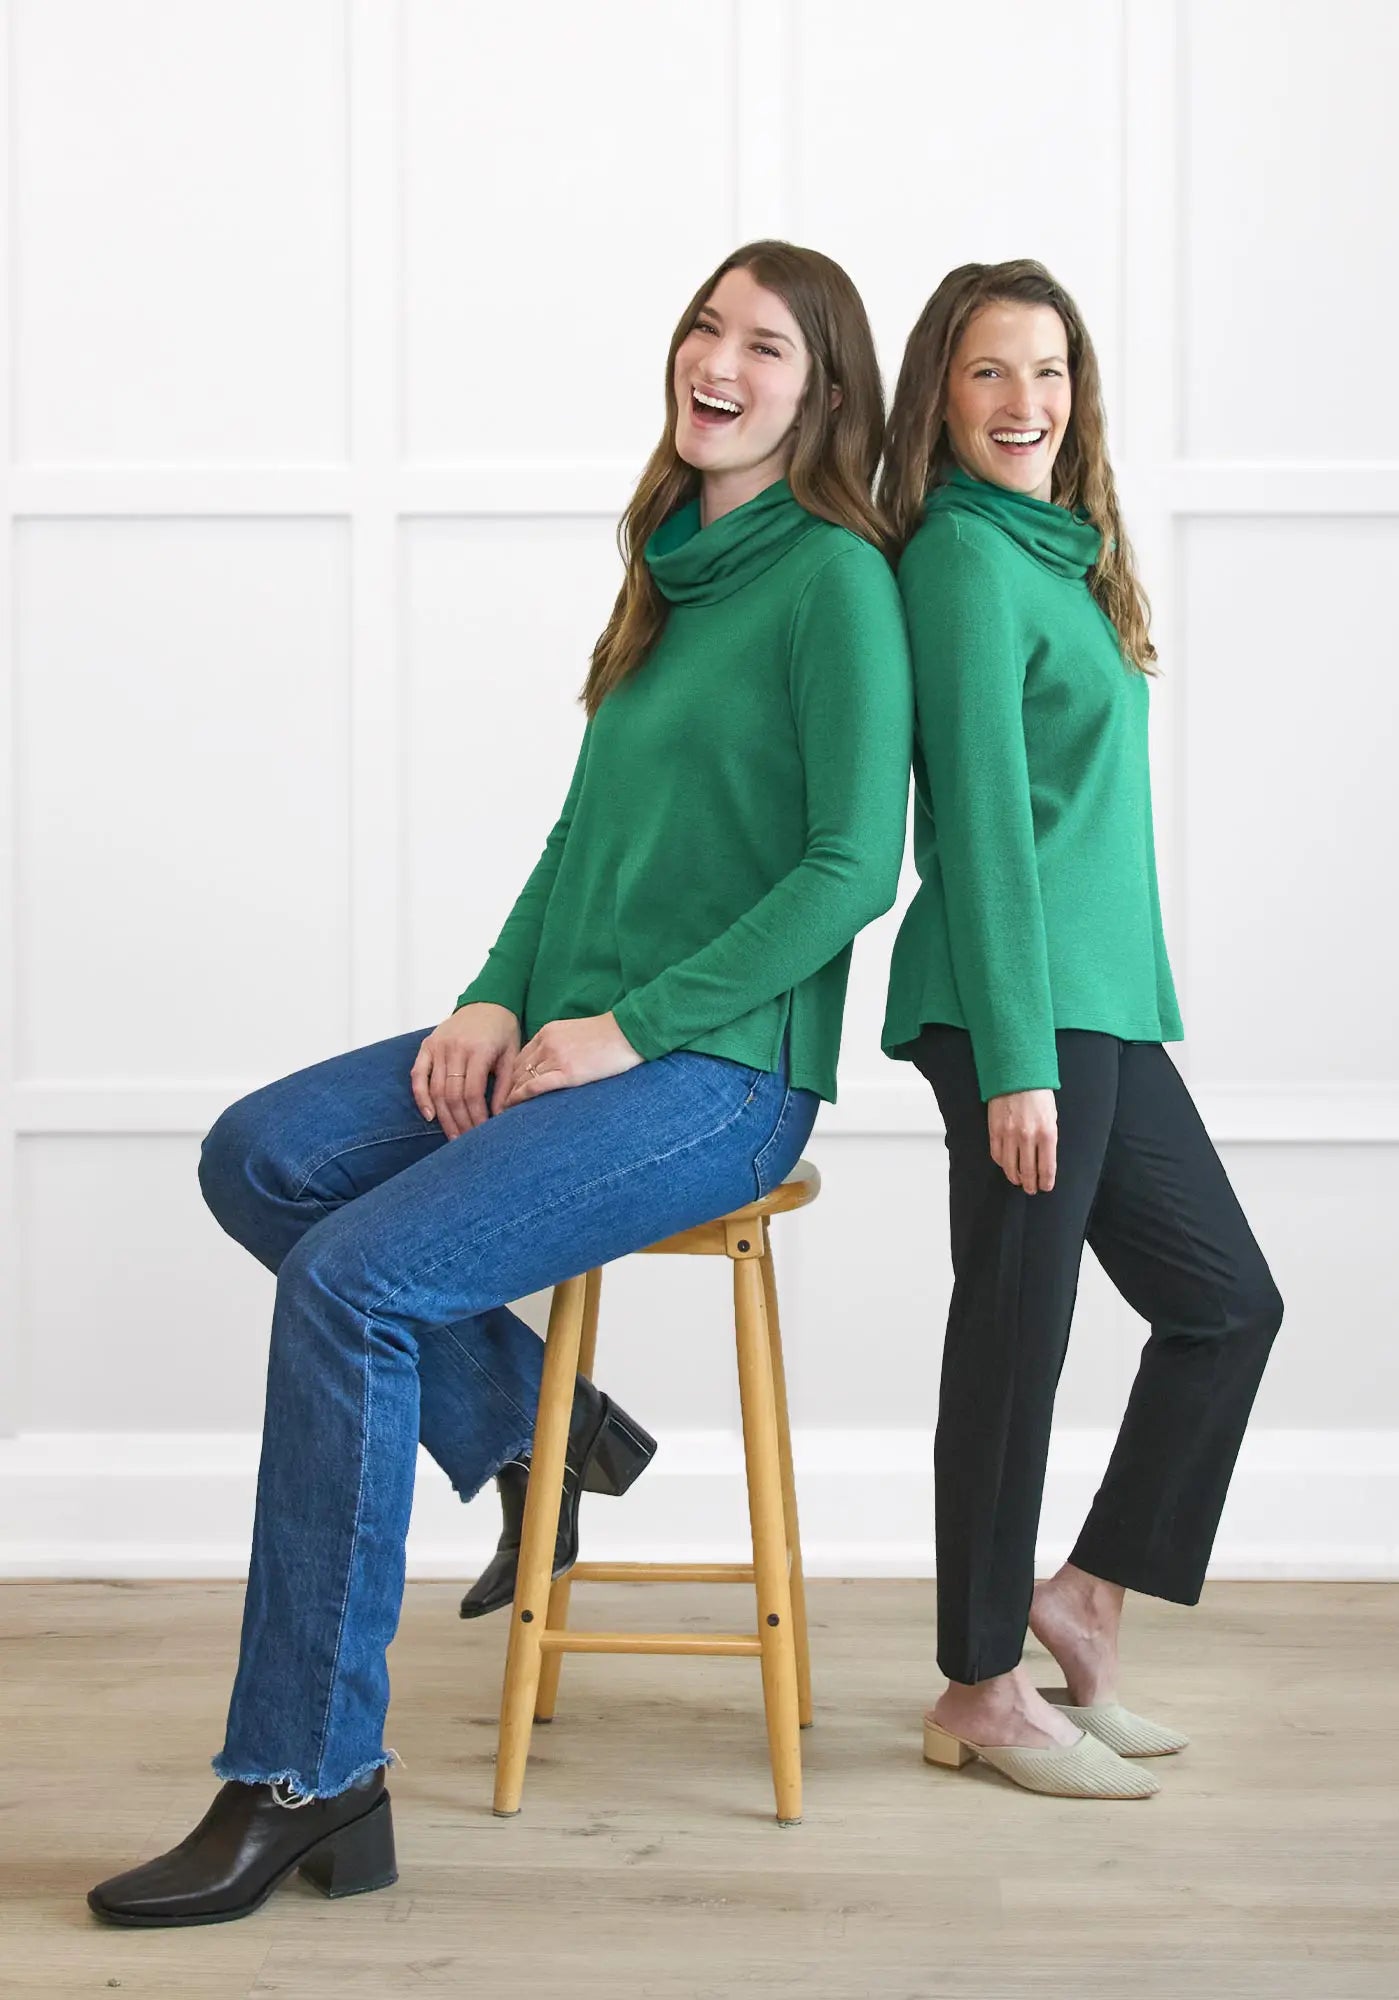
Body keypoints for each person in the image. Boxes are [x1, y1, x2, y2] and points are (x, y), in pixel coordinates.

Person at [87, 239, 912, 1926]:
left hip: (719, 1075)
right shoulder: (671, 560)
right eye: (705, 326)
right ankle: (546, 1434)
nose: (721, 361)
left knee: (354, 1282)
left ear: (822, 393)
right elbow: (581, 839)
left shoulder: (836, 578)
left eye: (767, 345)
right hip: (574, 1029)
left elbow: (850, 870)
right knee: (265, 1157)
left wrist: (638, 1023)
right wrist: (492, 995)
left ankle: (309, 1774)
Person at [879, 260, 1284, 1801]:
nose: (1024, 402)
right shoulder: (964, 561)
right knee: (1017, 1331)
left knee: (1226, 1306)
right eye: (990, 373)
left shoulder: (1067, 557)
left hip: (1104, 1002)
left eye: (1048, 372)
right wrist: (1022, 1055)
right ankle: (978, 1684)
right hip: (1019, 1009)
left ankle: (1084, 1598)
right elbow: (978, 818)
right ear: (943, 395)